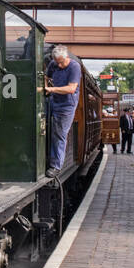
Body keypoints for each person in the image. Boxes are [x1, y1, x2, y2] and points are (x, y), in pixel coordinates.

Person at [44, 45, 82, 176]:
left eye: (61, 62)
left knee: (60, 134)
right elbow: (46, 76)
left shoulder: (75, 67)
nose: (59, 65)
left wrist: (51, 89)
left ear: (66, 57)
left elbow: (71, 89)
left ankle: (56, 166)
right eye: (57, 62)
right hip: (54, 100)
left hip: (67, 105)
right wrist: (46, 86)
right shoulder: (53, 64)